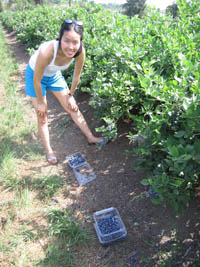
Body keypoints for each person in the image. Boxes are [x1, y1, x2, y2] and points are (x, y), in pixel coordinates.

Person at [25, 19, 106, 165]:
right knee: (42, 115)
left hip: (54, 75)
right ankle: (49, 151)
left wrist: (70, 96)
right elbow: (37, 80)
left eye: (75, 42)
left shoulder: (80, 52)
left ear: (80, 41)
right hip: (35, 75)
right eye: (66, 41)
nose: (71, 46)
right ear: (60, 37)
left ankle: (90, 137)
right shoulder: (47, 51)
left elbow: (76, 76)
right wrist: (42, 102)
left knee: (72, 106)